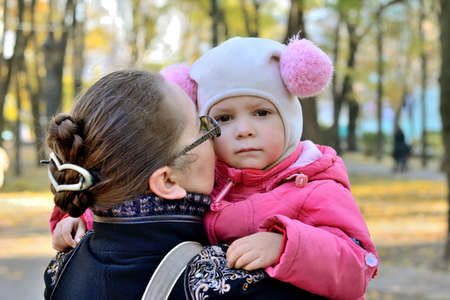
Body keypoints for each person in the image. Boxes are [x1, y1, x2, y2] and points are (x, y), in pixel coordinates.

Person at [42, 69, 325, 299]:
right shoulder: (237, 283)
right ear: (167, 180)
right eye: (202, 128)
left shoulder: (61, 269)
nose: (216, 138)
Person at [161, 36, 379, 300]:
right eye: (224, 118)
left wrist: (285, 245)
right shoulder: (207, 182)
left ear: (288, 116)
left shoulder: (316, 186)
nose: (244, 131)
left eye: (261, 112)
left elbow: (357, 266)